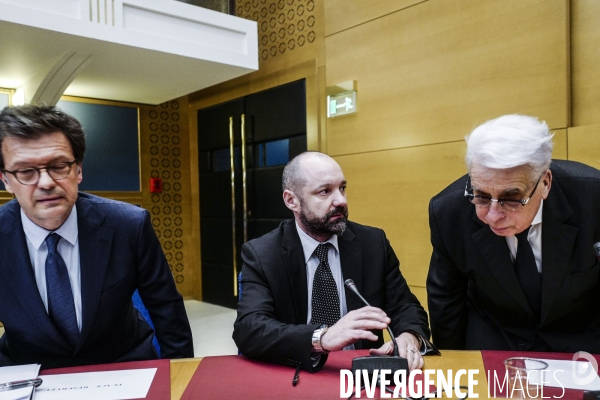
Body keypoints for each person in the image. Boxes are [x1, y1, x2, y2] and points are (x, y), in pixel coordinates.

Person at [0, 104, 193, 368]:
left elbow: (167, 311)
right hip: (29, 371)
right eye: (25, 171)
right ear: (6, 180)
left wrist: (179, 380)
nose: (45, 182)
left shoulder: (129, 225)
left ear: (78, 170)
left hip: (121, 364)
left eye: (58, 166)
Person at [233, 151, 436, 372]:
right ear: (291, 200)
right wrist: (322, 337)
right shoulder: (262, 253)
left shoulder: (373, 243)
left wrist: (410, 337)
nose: (340, 200)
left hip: (363, 373)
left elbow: (406, 307)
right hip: (297, 370)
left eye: (342, 188)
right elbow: (249, 329)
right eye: (324, 191)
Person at [427, 114, 600, 352]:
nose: (492, 215)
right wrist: (454, 369)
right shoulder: (448, 212)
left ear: (545, 183)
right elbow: (446, 298)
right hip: (495, 338)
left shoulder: (593, 199)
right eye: (481, 196)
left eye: (511, 198)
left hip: (580, 340)